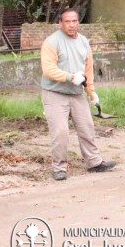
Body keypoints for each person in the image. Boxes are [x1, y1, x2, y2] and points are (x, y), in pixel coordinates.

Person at [40, 9, 116, 181]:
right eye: (68, 21)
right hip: (55, 93)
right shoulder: (52, 42)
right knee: (60, 132)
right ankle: (59, 167)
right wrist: (70, 77)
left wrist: (91, 91)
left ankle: (94, 162)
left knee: (87, 127)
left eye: (75, 21)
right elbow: (48, 69)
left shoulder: (83, 42)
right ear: (60, 23)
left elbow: (87, 69)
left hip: (76, 93)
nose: (72, 25)